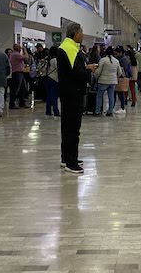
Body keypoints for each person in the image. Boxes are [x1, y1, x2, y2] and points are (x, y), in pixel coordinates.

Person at [57, 23, 97, 174]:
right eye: (81, 32)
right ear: (75, 34)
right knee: (73, 129)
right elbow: (77, 74)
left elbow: (72, 69)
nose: (83, 35)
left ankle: (66, 157)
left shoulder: (68, 47)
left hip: (68, 92)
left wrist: (86, 68)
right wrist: (89, 71)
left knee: (67, 127)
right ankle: (71, 163)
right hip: (73, 93)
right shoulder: (70, 49)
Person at [94, 46, 120, 116]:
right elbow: (119, 72)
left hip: (103, 81)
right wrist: (115, 77)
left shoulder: (103, 60)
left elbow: (98, 71)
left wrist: (95, 76)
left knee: (99, 96)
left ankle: (97, 111)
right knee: (111, 96)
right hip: (113, 81)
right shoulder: (116, 61)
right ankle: (110, 111)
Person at [8, 44, 28, 109]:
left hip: (19, 73)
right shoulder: (16, 54)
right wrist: (25, 50)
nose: (20, 48)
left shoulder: (14, 54)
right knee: (15, 89)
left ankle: (22, 102)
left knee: (23, 88)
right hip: (17, 73)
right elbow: (26, 57)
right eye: (20, 47)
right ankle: (12, 104)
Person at [115, 46, 131, 113]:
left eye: (116, 54)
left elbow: (124, 69)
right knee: (119, 93)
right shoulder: (123, 58)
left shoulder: (123, 59)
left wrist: (122, 75)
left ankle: (122, 107)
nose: (115, 55)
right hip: (121, 77)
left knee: (120, 93)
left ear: (120, 52)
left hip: (121, 78)